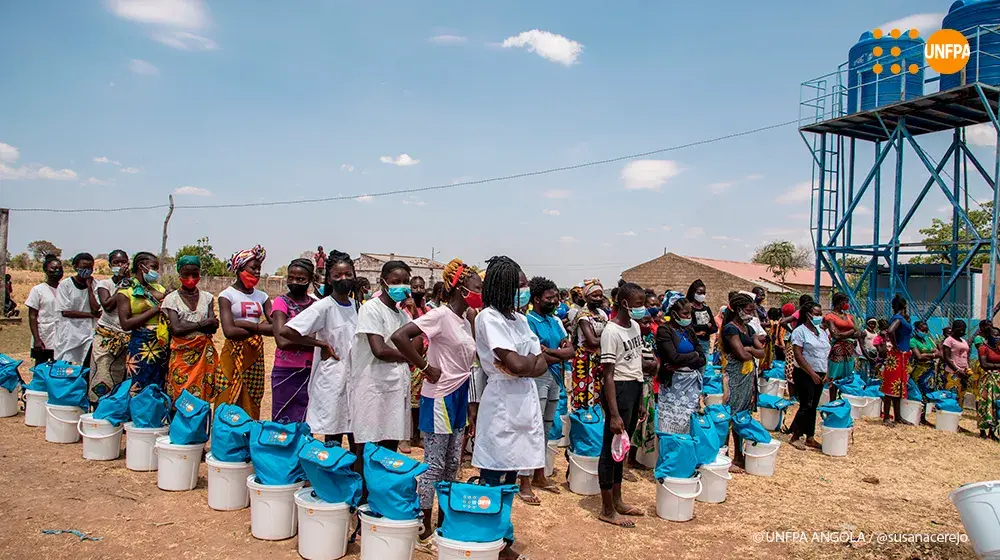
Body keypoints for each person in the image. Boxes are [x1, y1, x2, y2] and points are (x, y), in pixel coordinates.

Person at [390, 258, 482, 549]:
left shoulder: (466, 319)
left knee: (453, 463)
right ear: (461, 287)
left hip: (459, 394)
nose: (481, 291)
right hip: (439, 396)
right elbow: (400, 336)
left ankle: (444, 522)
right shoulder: (440, 315)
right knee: (434, 464)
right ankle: (423, 526)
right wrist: (423, 366)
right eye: (477, 286)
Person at [472, 256, 546, 560]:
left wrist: (524, 365)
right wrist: (525, 363)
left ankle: (503, 538)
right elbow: (517, 362)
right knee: (493, 477)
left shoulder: (521, 319)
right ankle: (491, 542)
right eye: (520, 285)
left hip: (524, 399)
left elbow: (538, 364)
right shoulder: (488, 318)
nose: (525, 290)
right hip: (501, 402)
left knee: (511, 475)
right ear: (503, 286)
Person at [281, 250, 359, 447]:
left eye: (348, 274)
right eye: (338, 275)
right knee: (333, 434)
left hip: (355, 379)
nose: (344, 279)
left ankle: (354, 476)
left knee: (356, 434)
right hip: (332, 378)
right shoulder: (323, 306)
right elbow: (288, 331)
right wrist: (320, 344)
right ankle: (330, 475)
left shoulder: (357, 306)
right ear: (330, 280)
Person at [598, 282, 654, 528]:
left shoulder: (634, 328)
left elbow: (637, 366)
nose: (642, 309)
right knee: (610, 450)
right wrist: (613, 413)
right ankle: (607, 508)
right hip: (617, 390)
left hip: (633, 388)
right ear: (624, 304)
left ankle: (619, 500)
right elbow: (608, 375)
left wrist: (641, 398)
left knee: (622, 448)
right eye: (638, 305)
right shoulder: (611, 332)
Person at [517, 276, 573, 504]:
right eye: (550, 298)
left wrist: (552, 353)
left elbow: (569, 349)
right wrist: (557, 353)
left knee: (546, 428)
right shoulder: (528, 321)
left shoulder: (554, 321)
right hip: (537, 379)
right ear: (537, 299)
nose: (555, 301)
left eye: (556, 297)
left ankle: (539, 474)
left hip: (554, 379)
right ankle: (524, 480)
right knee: (532, 427)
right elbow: (535, 353)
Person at [350, 260, 412, 450]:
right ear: (383, 282)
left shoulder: (402, 315)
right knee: (368, 442)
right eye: (395, 281)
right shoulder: (372, 308)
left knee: (390, 441)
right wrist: (409, 357)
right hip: (374, 384)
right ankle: (362, 479)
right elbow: (379, 350)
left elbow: (417, 342)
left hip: (395, 386)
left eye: (404, 281)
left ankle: (382, 480)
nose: (401, 286)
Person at [216, 246, 272, 419]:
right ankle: (224, 439)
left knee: (252, 397)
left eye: (258, 269)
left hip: (254, 355)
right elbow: (229, 331)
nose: (256, 272)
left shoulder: (262, 296)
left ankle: (247, 439)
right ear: (239, 268)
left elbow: (274, 327)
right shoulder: (226, 295)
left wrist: (245, 324)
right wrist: (258, 328)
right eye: (252, 268)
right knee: (225, 394)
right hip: (232, 352)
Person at [161, 256, 221, 401]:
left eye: (195, 274)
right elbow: (176, 329)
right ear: (179, 274)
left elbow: (213, 327)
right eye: (186, 274)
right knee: (179, 395)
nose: (190, 278)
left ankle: (201, 424)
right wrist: (202, 324)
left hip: (203, 355)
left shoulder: (207, 298)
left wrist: (188, 325)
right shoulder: (172, 299)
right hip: (181, 355)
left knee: (203, 397)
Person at [720, 292, 765, 471]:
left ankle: (739, 456)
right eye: (748, 310)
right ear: (739, 310)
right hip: (734, 376)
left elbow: (760, 352)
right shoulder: (731, 329)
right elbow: (741, 354)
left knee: (742, 415)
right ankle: (725, 456)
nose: (752, 314)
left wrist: (750, 349)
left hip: (747, 377)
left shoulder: (749, 329)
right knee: (730, 415)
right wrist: (751, 349)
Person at [269, 258, 317, 423]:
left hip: (311, 370)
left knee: (306, 420)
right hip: (286, 370)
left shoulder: (316, 305)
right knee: (283, 421)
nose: (294, 282)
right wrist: (315, 344)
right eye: (291, 278)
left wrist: (304, 340)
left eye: (300, 279)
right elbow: (282, 341)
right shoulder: (281, 302)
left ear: (310, 280)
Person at [655, 293, 707, 434]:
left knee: (688, 421)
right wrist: (693, 355)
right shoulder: (664, 330)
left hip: (691, 384)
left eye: (690, 313)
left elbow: (702, 358)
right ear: (674, 313)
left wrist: (686, 359)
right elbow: (673, 357)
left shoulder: (688, 330)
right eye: (685, 314)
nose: (688, 317)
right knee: (671, 422)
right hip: (672, 383)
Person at [116, 252, 169, 389]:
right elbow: (125, 324)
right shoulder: (126, 290)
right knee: (137, 384)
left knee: (158, 386)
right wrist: (155, 310)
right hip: (140, 346)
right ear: (141, 267)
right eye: (153, 268)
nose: (155, 272)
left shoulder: (159, 288)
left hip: (161, 345)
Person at [788, 301, 831, 450]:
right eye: (817, 314)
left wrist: (827, 372)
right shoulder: (799, 332)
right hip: (804, 372)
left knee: (814, 405)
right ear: (808, 315)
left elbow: (826, 352)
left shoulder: (822, 331)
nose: (820, 316)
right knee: (806, 404)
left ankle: (810, 436)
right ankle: (795, 436)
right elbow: (798, 355)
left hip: (820, 372)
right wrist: (811, 373)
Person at [89, 250, 131, 402]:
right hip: (106, 337)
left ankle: (117, 409)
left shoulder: (134, 285)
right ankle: (97, 407)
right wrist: (122, 284)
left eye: (123, 262)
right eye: (116, 263)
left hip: (126, 338)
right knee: (103, 373)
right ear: (110, 265)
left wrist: (129, 282)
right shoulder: (104, 284)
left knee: (123, 377)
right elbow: (107, 305)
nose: (120, 266)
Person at [401, 275, 431, 453]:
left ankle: (416, 437)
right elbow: (409, 331)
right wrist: (412, 311)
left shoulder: (427, 309)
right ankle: (403, 438)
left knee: (419, 403)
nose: (418, 290)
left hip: (424, 360)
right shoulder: (403, 309)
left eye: (421, 287)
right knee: (406, 402)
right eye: (415, 287)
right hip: (410, 359)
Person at [54, 252, 100, 365]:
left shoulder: (96, 285)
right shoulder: (65, 285)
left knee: (87, 364)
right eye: (84, 268)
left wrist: (89, 287)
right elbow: (66, 312)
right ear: (75, 267)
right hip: (70, 332)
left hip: (89, 331)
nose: (87, 271)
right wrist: (90, 315)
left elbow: (96, 309)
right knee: (67, 365)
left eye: (90, 268)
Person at [571, 279, 608, 410]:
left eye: (600, 295)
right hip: (584, 360)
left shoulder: (602, 314)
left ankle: (596, 425)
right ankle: (584, 425)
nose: (598, 298)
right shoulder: (583, 316)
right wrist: (608, 338)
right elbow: (592, 341)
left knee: (600, 392)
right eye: (594, 296)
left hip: (599, 358)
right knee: (584, 394)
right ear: (586, 297)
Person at [26, 255, 62, 365]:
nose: (57, 271)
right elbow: (32, 316)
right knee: (41, 369)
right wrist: (37, 339)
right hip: (44, 336)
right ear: (45, 270)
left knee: (60, 370)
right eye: (53, 268)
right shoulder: (38, 290)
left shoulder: (64, 289)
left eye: (59, 269)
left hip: (61, 337)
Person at [882, 294, 912, 424]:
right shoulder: (899, 318)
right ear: (904, 306)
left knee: (898, 386)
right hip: (897, 356)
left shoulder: (900, 318)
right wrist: (896, 346)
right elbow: (890, 331)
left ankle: (898, 416)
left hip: (901, 356)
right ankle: (887, 417)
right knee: (891, 386)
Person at [824, 293, 859, 400]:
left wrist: (848, 333)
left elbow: (858, 332)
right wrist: (851, 331)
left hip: (848, 350)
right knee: (835, 377)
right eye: (845, 302)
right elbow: (835, 335)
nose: (847, 305)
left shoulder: (849, 316)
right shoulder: (830, 317)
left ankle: (842, 400)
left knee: (847, 377)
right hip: (837, 350)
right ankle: (832, 401)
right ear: (840, 302)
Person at [910, 320, 941, 425]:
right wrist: (931, 354)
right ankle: (916, 416)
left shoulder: (928, 339)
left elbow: (938, 352)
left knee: (927, 393)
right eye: (922, 330)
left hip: (929, 370)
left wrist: (925, 354)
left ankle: (923, 418)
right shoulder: (913, 341)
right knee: (918, 393)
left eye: (926, 330)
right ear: (917, 330)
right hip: (919, 371)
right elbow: (919, 357)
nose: (924, 332)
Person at [975, 326, 1000, 441]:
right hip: (987, 380)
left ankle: (992, 431)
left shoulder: (998, 348)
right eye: (995, 335)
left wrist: (994, 366)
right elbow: (984, 365)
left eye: (998, 335)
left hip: (998, 381)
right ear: (988, 336)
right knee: (985, 404)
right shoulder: (983, 348)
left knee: (995, 405)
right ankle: (982, 431)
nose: (997, 337)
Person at [942, 319, 972, 407]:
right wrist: (957, 370)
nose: (962, 331)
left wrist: (967, 368)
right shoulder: (949, 340)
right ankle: (949, 411)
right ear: (954, 329)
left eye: (964, 329)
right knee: (952, 393)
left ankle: (958, 413)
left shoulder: (963, 341)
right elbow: (947, 357)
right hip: (953, 372)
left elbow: (966, 356)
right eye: (960, 329)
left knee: (961, 394)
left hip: (964, 371)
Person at [686, 279, 717, 358]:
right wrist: (706, 326)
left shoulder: (706, 308)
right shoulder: (689, 308)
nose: (702, 295)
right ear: (693, 293)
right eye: (699, 293)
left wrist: (706, 331)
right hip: (693, 341)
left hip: (705, 342)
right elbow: (689, 325)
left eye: (704, 293)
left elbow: (714, 327)